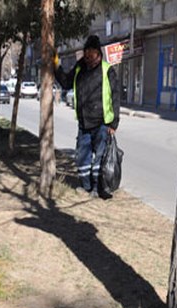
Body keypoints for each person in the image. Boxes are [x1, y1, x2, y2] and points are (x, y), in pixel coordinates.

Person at [55, 35, 120, 200]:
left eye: (92, 53)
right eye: (87, 53)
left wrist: (114, 123)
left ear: (99, 54)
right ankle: (86, 186)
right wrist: (56, 66)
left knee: (100, 159)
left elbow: (115, 97)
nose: (89, 57)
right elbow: (65, 83)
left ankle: (99, 189)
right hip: (84, 123)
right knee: (82, 158)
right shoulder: (79, 68)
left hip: (102, 124)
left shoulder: (107, 70)